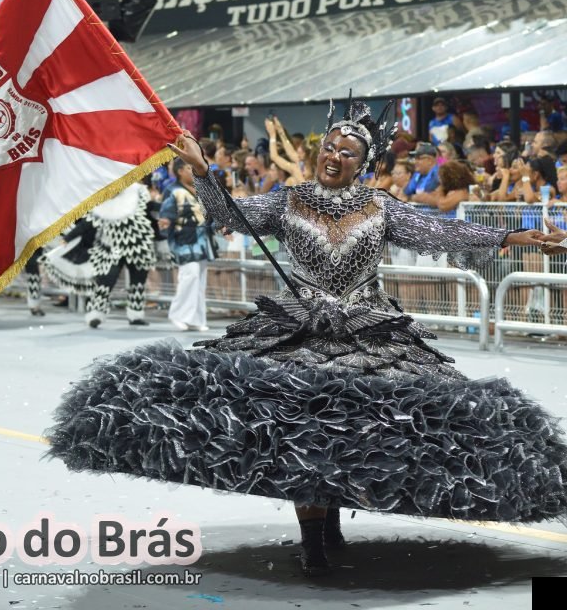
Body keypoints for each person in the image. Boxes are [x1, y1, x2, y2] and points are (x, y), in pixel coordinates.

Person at [47, 97, 564, 580]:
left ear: (363, 164)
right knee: (300, 427)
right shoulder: (289, 201)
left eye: (347, 152)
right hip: (296, 326)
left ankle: (330, 519)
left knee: (353, 427)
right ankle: (313, 540)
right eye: (330, 147)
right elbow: (232, 215)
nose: (334, 156)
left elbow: (443, 232)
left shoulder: (381, 207)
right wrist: (204, 171)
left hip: (368, 329)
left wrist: (513, 235)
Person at [85, 182, 156, 328]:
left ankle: (136, 314)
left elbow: (149, 215)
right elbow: (88, 223)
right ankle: (96, 313)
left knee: (138, 281)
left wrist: (160, 238)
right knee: (106, 280)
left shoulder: (138, 192)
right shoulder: (100, 198)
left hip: (138, 245)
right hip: (112, 247)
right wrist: (69, 238)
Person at [158, 159, 215, 331]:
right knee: (190, 275)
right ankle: (178, 314)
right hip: (183, 239)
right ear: (180, 171)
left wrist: (220, 227)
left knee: (200, 279)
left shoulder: (200, 189)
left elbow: (210, 212)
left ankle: (196, 319)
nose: (192, 171)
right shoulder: (172, 190)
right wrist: (165, 225)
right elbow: (166, 215)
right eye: (189, 168)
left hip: (203, 239)